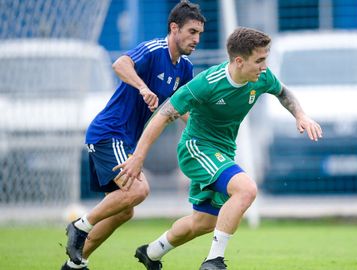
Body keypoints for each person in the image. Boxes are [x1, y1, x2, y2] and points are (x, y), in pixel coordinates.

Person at [114, 27, 322, 270]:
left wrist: (301, 116)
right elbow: (164, 114)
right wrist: (139, 157)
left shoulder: (262, 77)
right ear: (239, 61)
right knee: (246, 189)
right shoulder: (208, 83)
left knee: (203, 222)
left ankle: (152, 252)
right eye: (260, 60)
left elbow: (283, 92)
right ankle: (213, 262)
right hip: (196, 148)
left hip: (223, 151)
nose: (264, 66)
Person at [61, 2, 205, 270]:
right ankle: (79, 226)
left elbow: (182, 108)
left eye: (199, 34)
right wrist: (142, 87)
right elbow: (119, 64)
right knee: (139, 189)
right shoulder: (154, 50)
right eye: (192, 31)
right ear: (174, 28)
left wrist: (202, 132)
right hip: (109, 133)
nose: (196, 39)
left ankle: (74, 265)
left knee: (124, 209)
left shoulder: (184, 67)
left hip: (125, 140)